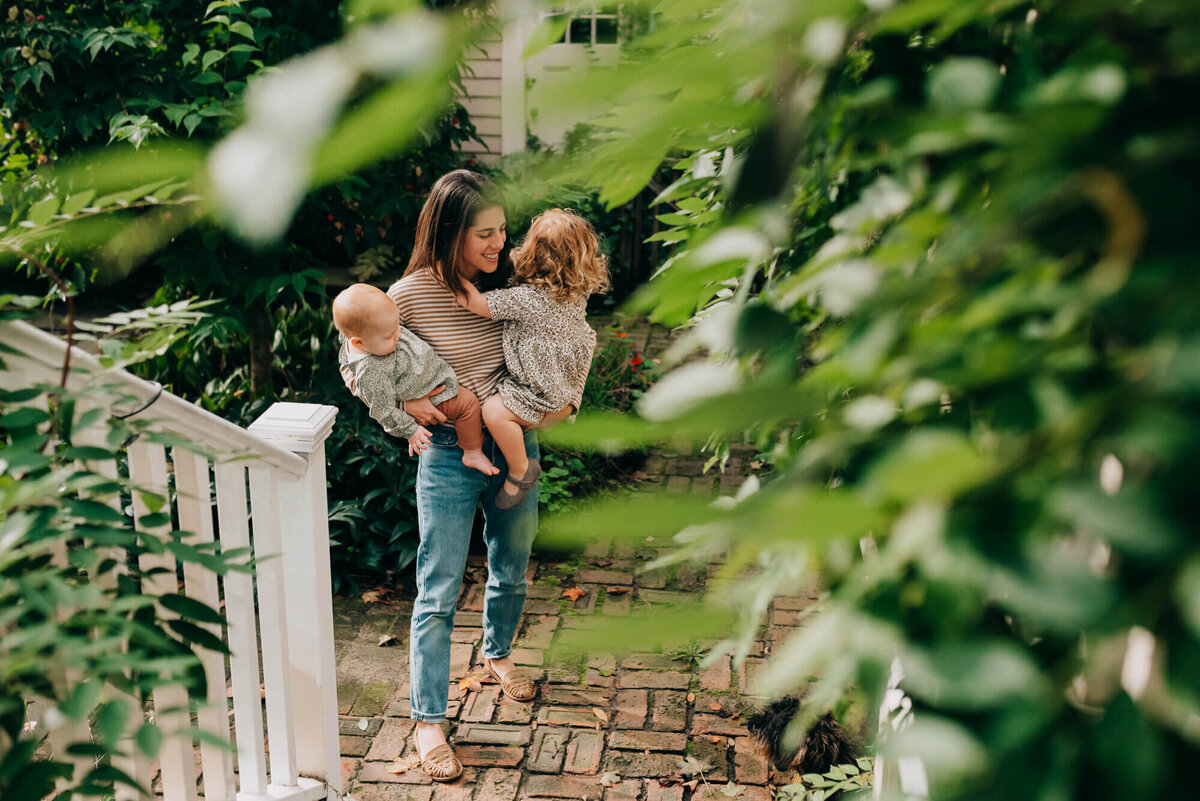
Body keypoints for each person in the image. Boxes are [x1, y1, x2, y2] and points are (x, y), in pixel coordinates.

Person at [349, 170, 587, 782]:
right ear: (450, 232)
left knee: (513, 561)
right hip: (451, 456)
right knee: (437, 589)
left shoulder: (506, 287)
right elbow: (357, 356)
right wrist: (402, 409)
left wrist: (568, 405)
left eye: (503, 231)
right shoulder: (404, 295)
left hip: (517, 434)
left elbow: (565, 344)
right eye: (485, 234)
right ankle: (429, 720)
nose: (499, 246)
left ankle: (498, 654)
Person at [456, 208, 609, 508]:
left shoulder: (528, 299)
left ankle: (520, 468)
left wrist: (449, 275)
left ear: (534, 254)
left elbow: (476, 303)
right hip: (560, 388)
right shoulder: (575, 293)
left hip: (537, 392)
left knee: (494, 412)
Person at [333, 283, 498, 476]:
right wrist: (411, 431)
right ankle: (472, 451)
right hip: (425, 393)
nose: (398, 335)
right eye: (389, 336)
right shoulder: (370, 371)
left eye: (397, 328)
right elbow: (383, 409)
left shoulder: (361, 334)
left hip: (423, 375)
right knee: (467, 405)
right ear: (358, 342)